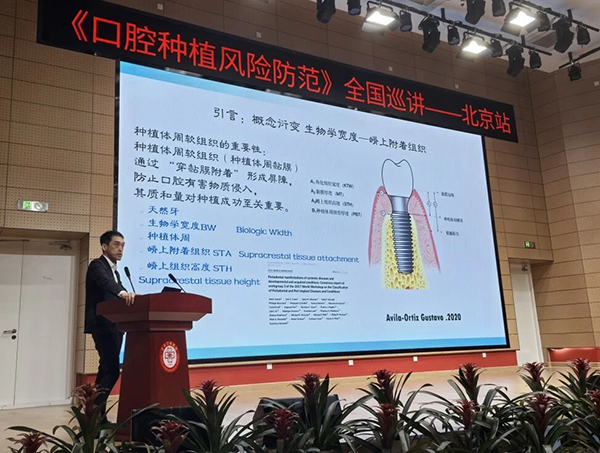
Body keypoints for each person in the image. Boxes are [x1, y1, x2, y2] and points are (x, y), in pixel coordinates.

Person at [84, 230, 136, 420]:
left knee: (107, 369)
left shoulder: (116, 271)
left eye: (123, 245)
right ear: (104, 246)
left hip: (115, 326)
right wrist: (123, 293)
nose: (120, 249)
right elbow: (106, 284)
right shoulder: (97, 265)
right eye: (116, 244)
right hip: (103, 325)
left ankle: (95, 414)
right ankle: (96, 415)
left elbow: (116, 290)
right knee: (111, 369)